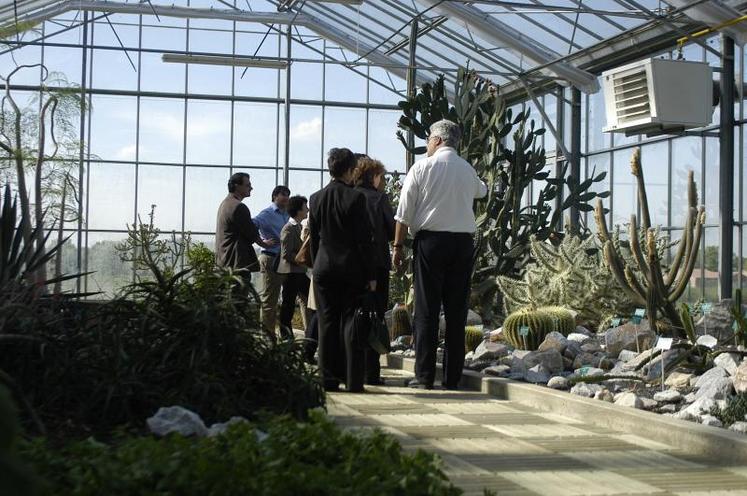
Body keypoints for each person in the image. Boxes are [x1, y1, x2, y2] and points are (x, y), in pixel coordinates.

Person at [393, 120, 487, 390]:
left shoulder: (422, 167)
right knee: (457, 311)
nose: (426, 146)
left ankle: (424, 376)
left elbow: (403, 213)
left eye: (427, 141)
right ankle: (452, 377)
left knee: (427, 309)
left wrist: (397, 248)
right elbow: (482, 190)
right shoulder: (467, 169)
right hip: (462, 244)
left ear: (436, 141)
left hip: (431, 243)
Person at [309, 147, 376, 393]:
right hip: (351, 269)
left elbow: (315, 239)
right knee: (350, 321)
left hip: (324, 268)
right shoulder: (356, 198)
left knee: (327, 322)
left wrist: (317, 265)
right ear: (350, 170)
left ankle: (327, 379)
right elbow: (363, 240)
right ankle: (353, 379)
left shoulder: (315, 198)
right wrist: (370, 275)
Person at [353, 156, 395, 386]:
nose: (384, 182)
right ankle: (372, 371)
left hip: (350, 266)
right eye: (383, 177)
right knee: (374, 316)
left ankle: (351, 368)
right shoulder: (379, 199)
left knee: (352, 316)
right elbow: (390, 230)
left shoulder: (347, 195)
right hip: (377, 264)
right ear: (374, 177)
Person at [215, 172, 276, 282]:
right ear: (237, 186)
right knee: (239, 296)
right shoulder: (238, 207)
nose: (251, 188)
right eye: (247, 185)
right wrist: (263, 243)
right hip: (236, 263)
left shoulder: (225, 204)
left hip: (225, 261)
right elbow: (250, 232)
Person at [253, 185, 291, 337]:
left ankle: (283, 334)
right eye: (283, 195)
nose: (286, 198)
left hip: (285, 259)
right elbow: (251, 225)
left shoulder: (287, 214)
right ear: (275, 196)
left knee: (288, 297)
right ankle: (267, 337)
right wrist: (262, 242)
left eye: (288, 195)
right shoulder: (267, 213)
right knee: (270, 300)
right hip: (271, 258)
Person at [277, 195, 310, 341]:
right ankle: (285, 335)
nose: (308, 209)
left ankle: (305, 332)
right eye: (305, 207)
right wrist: (301, 260)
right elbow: (286, 254)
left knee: (308, 300)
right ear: (298, 210)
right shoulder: (288, 229)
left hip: (299, 272)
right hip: (291, 273)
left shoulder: (298, 227)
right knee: (288, 304)